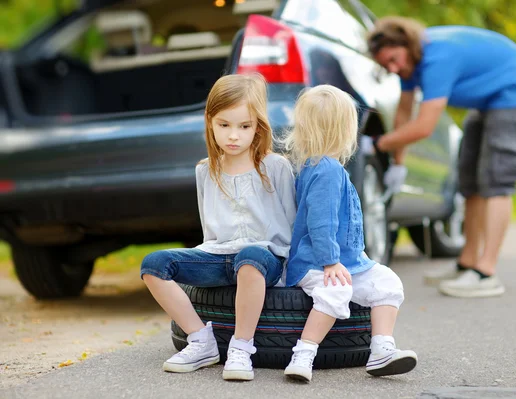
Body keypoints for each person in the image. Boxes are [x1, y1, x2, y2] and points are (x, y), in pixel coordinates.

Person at [367, 17, 516, 298]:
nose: (393, 68)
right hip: (486, 101)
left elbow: (424, 126)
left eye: (393, 59)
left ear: (406, 44)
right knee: (469, 179)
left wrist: (377, 145)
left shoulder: (437, 58)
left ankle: (486, 273)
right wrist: (398, 163)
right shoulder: (410, 65)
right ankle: (467, 264)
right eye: (385, 65)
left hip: (512, 90)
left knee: (496, 177)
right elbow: (404, 113)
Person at [140, 73, 296, 380]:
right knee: (153, 264)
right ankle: (201, 340)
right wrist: (201, 262)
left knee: (250, 257)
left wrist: (294, 275)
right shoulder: (205, 170)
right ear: (210, 122)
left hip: (264, 259)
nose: (233, 135)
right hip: (218, 255)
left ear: (258, 126)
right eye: (224, 125)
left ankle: (241, 348)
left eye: (244, 126)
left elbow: (291, 224)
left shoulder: (275, 167)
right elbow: (208, 230)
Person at [281, 85, 417, 382]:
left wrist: (356, 258)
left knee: (386, 281)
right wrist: (330, 261)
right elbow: (321, 222)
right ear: (345, 130)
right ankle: (303, 353)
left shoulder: (319, 166)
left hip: (346, 263)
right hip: (316, 263)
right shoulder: (326, 170)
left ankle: (382, 348)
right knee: (337, 291)